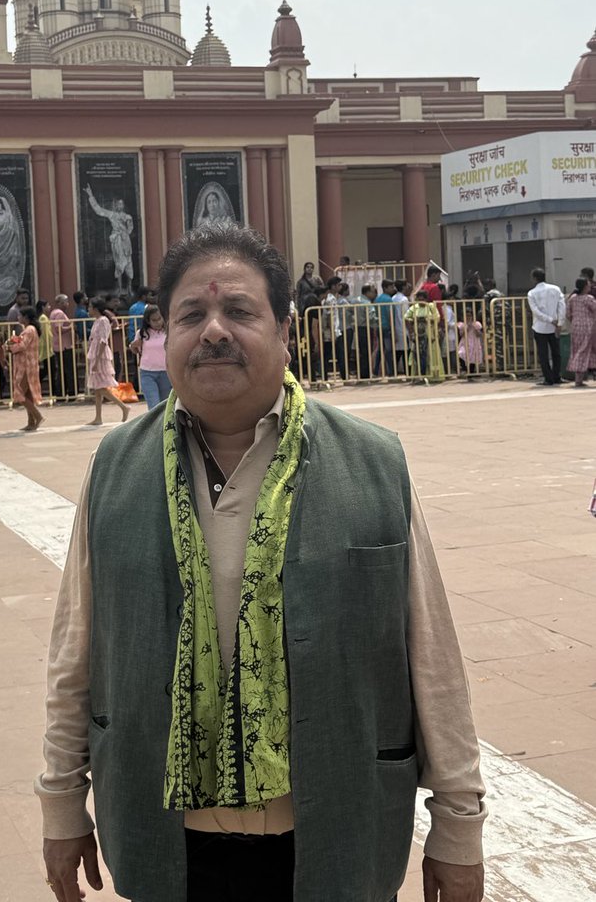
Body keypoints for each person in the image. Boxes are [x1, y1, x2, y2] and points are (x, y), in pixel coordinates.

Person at [37, 223, 486, 902]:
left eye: (240, 311)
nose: (213, 330)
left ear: (286, 331)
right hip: (169, 844)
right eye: (191, 314)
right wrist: (62, 804)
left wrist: (459, 827)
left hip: (334, 835)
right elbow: (76, 654)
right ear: (164, 336)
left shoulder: (371, 464)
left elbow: (432, 657)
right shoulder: (115, 471)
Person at [85, 297, 130, 426]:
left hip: (100, 356)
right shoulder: (97, 321)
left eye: (90, 307)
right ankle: (98, 417)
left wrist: (97, 359)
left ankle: (123, 407)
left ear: (95, 308)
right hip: (95, 355)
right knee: (98, 388)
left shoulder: (103, 321)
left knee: (101, 387)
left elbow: (103, 341)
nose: (89, 310)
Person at [85, 184, 135, 296]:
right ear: (115, 205)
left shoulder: (128, 217)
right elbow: (98, 210)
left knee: (128, 264)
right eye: (117, 204)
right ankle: (119, 288)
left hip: (125, 241)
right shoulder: (112, 215)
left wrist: (126, 227)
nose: (119, 205)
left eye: (121, 204)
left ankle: (129, 288)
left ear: (123, 205)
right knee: (119, 264)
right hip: (117, 241)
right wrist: (91, 195)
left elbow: (130, 230)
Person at [5, 305, 45, 432]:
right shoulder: (29, 329)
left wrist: (9, 346)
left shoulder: (29, 330)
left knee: (20, 394)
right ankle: (31, 421)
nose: (18, 317)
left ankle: (38, 416)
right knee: (27, 395)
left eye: (20, 315)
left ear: (26, 317)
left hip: (26, 366)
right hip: (29, 365)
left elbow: (22, 345)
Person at [526, 268, 566, 386]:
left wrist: (550, 320)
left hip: (540, 327)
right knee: (556, 353)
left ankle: (548, 378)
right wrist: (559, 322)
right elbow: (562, 306)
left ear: (534, 278)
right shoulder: (556, 289)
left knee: (543, 354)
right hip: (554, 327)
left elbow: (536, 312)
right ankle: (557, 376)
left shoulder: (532, 293)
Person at [130, 303, 171, 408]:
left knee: (164, 406)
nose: (157, 322)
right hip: (147, 373)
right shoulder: (142, 333)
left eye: (159, 319)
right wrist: (132, 346)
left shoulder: (168, 331)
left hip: (165, 372)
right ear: (148, 321)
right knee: (153, 405)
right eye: (154, 320)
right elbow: (135, 350)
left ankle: (162, 425)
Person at [405, 288, 445, 381]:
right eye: (419, 299)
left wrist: (428, 319)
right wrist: (412, 326)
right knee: (418, 355)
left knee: (430, 355)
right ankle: (419, 376)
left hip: (429, 335)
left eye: (423, 299)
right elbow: (406, 318)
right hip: (418, 335)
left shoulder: (431, 306)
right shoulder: (413, 307)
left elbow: (437, 318)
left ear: (426, 299)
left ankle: (432, 376)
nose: (421, 301)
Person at [566, 278, 596, 387]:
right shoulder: (588, 298)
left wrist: (575, 321)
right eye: (588, 285)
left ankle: (578, 379)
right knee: (586, 351)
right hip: (589, 328)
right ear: (584, 287)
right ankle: (580, 379)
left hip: (575, 328)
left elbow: (568, 314)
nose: (589, 287)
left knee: (578, 350)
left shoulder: (573, 298)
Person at [50, 295, 76, 401]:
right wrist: (71, 326)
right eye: (65, 301)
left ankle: (61, 393)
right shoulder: (59, 314)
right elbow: (59, 329)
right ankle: (70, 393)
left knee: (62, 370)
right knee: (68, 370)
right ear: (59, 303)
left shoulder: (53, 313)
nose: (67, 304)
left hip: (59, 345)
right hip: (64, 345)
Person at [458, 285, 486, 376]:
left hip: (474, 342)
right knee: (461, 353)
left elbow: (480, 334)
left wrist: (474, 328)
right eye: (466, 316)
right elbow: (461, 334)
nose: (468, 318)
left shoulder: (476, 323)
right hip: (465, 342)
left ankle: (471, 372)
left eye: (470, 316)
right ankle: (465, 368)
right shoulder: (462, 324)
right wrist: (467, 327)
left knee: (473, 356)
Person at [373, 279, 397, 375]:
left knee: (380, 349)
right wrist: (393, 329)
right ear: (385, 288)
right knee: (388, 351)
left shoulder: (377, 299)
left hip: (379, 327)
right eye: (391, 287)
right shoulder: (388, 299)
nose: (393, 289)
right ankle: (391, 372)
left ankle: (375, 371)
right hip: (387, 327)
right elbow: (390, 315)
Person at [391, 279, 410, 374]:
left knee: (397, 352)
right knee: (406, 352)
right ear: (403, 287)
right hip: (403, 329)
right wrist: (410, 330)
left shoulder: (393, 298)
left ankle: (393, 372)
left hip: (396, 328)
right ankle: (408, 373)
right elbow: (406, 316)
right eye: (406, 285)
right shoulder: (404, 299)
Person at [36, 300, 55, 391]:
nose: (50, 307)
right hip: (46, 347)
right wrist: (50, 343)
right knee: (50, 370)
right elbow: (46, 334)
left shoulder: (43, 317)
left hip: (46, 347)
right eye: (48, 305)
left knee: (49, 369)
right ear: (43, 307)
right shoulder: (43, 318)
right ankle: (54, 390)